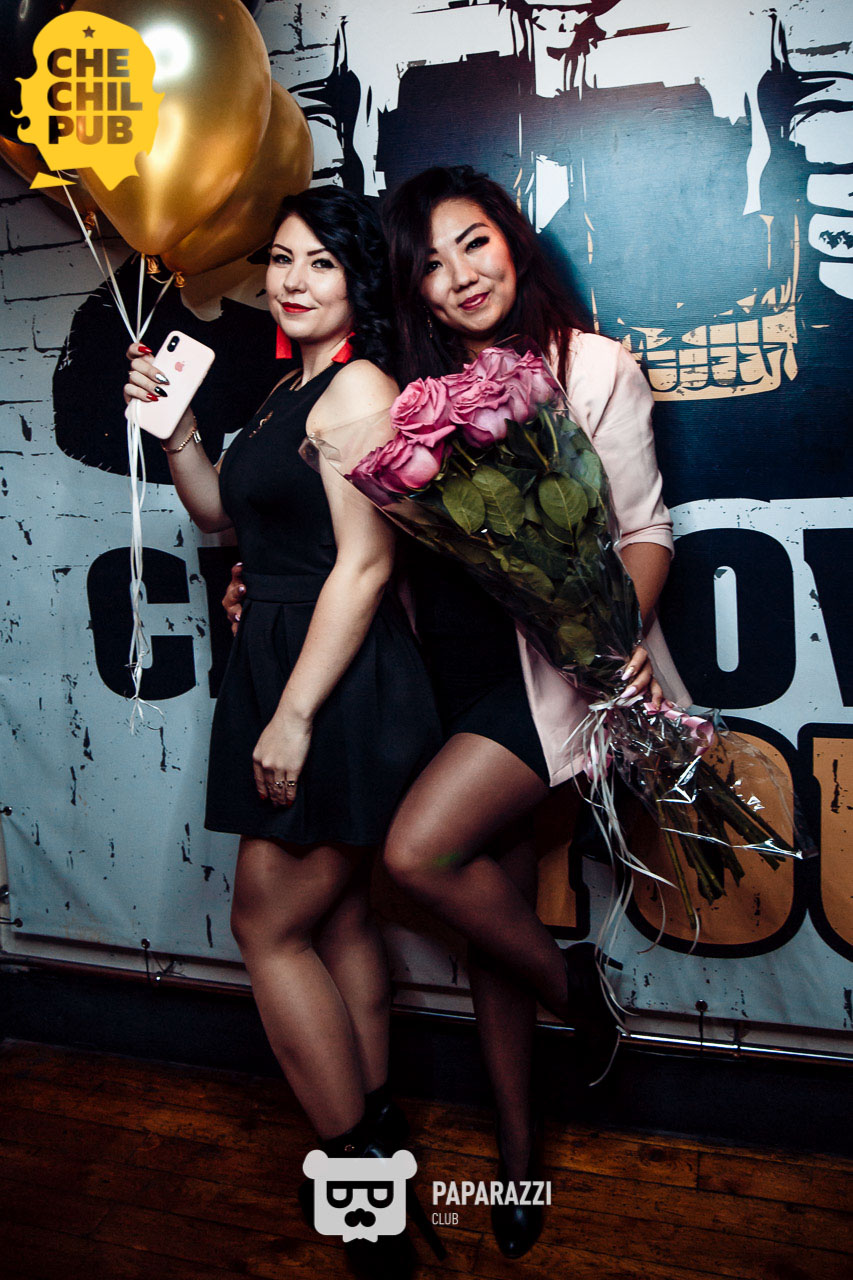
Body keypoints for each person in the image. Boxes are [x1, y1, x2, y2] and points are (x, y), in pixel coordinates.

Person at [223, 166, 687, 1260]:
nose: (459, 275)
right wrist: (262, 573)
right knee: (492, 918)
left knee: (418, 854)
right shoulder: (412, 384)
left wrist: (611, 637)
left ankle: (575, 987)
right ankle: (519, 1153)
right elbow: (361, 543)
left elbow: (643, 532)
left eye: (474, 243)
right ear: (411, 286)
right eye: (429, 263)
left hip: (553, 674)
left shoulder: (593, 366)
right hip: (441, 673)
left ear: (513, 241)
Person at [124, 186, 442, 1270]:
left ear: (360, 279)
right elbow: (222, 516)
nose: (293, 279)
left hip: (330, 677)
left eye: (321, 262)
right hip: (283, 654)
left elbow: (366, 565)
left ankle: (363, 1184)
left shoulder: (357, 390)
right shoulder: (286, 388)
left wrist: (295, 717)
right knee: (338, 916)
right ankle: (381, 1124)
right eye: (281, 259)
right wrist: (176, 429)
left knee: (267, 926)